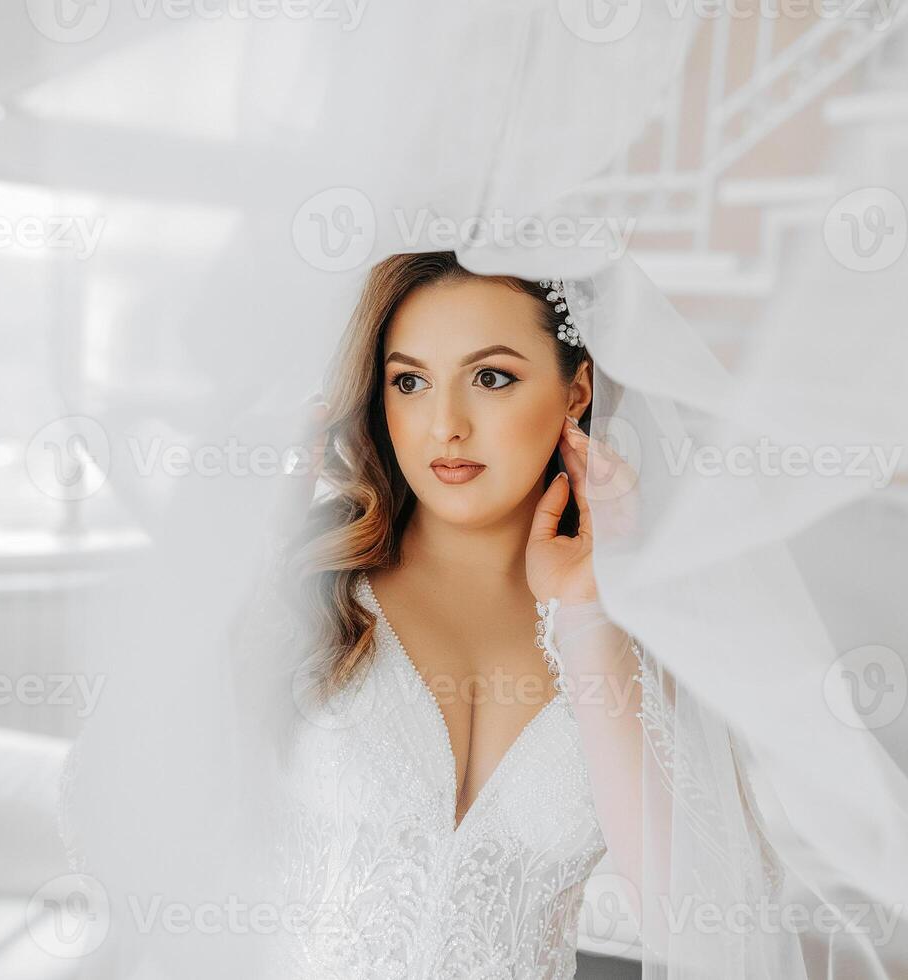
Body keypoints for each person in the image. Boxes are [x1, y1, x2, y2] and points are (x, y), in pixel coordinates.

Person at [261, 251, 781, 979]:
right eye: (410, 381)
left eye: (491, 377)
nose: (445, 425)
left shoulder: (628, 626)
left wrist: (586, 614)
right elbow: (134, 816)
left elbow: (711, 929)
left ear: (577, 393)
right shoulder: (306, 582)